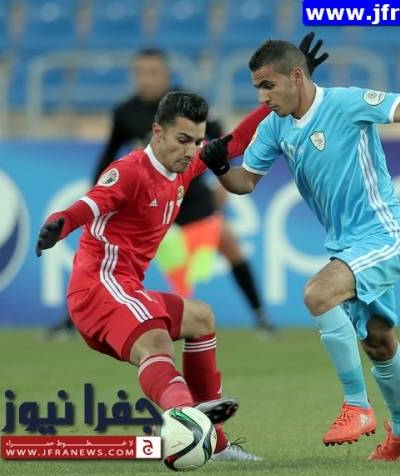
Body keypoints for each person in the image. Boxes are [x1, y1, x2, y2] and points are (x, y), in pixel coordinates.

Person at [198, 38, 400, 461]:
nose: (262, 98)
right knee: (378, 340)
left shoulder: (346, 102)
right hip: (346, 246)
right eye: (257, 88)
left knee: (318, 293)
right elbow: (245, 183)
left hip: (385, 235)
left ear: (296, 76)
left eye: (268, 85)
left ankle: (357, 405)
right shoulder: (274, 126)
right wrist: (221, 167)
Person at [36, 91, 270, 461]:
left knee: (200, 318)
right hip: (100, 287)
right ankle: (185, 414)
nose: (191, 151)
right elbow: (89, 205)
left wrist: (275, 102)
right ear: (157, 132)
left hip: (126, 289)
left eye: (197, 141)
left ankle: (216, 443)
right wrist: (59, 223)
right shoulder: (130, 172)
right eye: (183, 140)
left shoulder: (186, 166)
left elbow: (237, 140)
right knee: (157, 341)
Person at [97, 48, 275, 334]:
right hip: (149, 202)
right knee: (112, 257)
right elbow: (107, 156)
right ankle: (78, 319)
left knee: (229, 244)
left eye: (153, 72)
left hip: (189, 194)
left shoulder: (187, 105)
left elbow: (222, 138)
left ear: (166, 75)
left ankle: (261, 316)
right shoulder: (125, 112)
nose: (146, 79)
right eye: (140, 72)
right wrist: (98, 195)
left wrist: (222, 178)